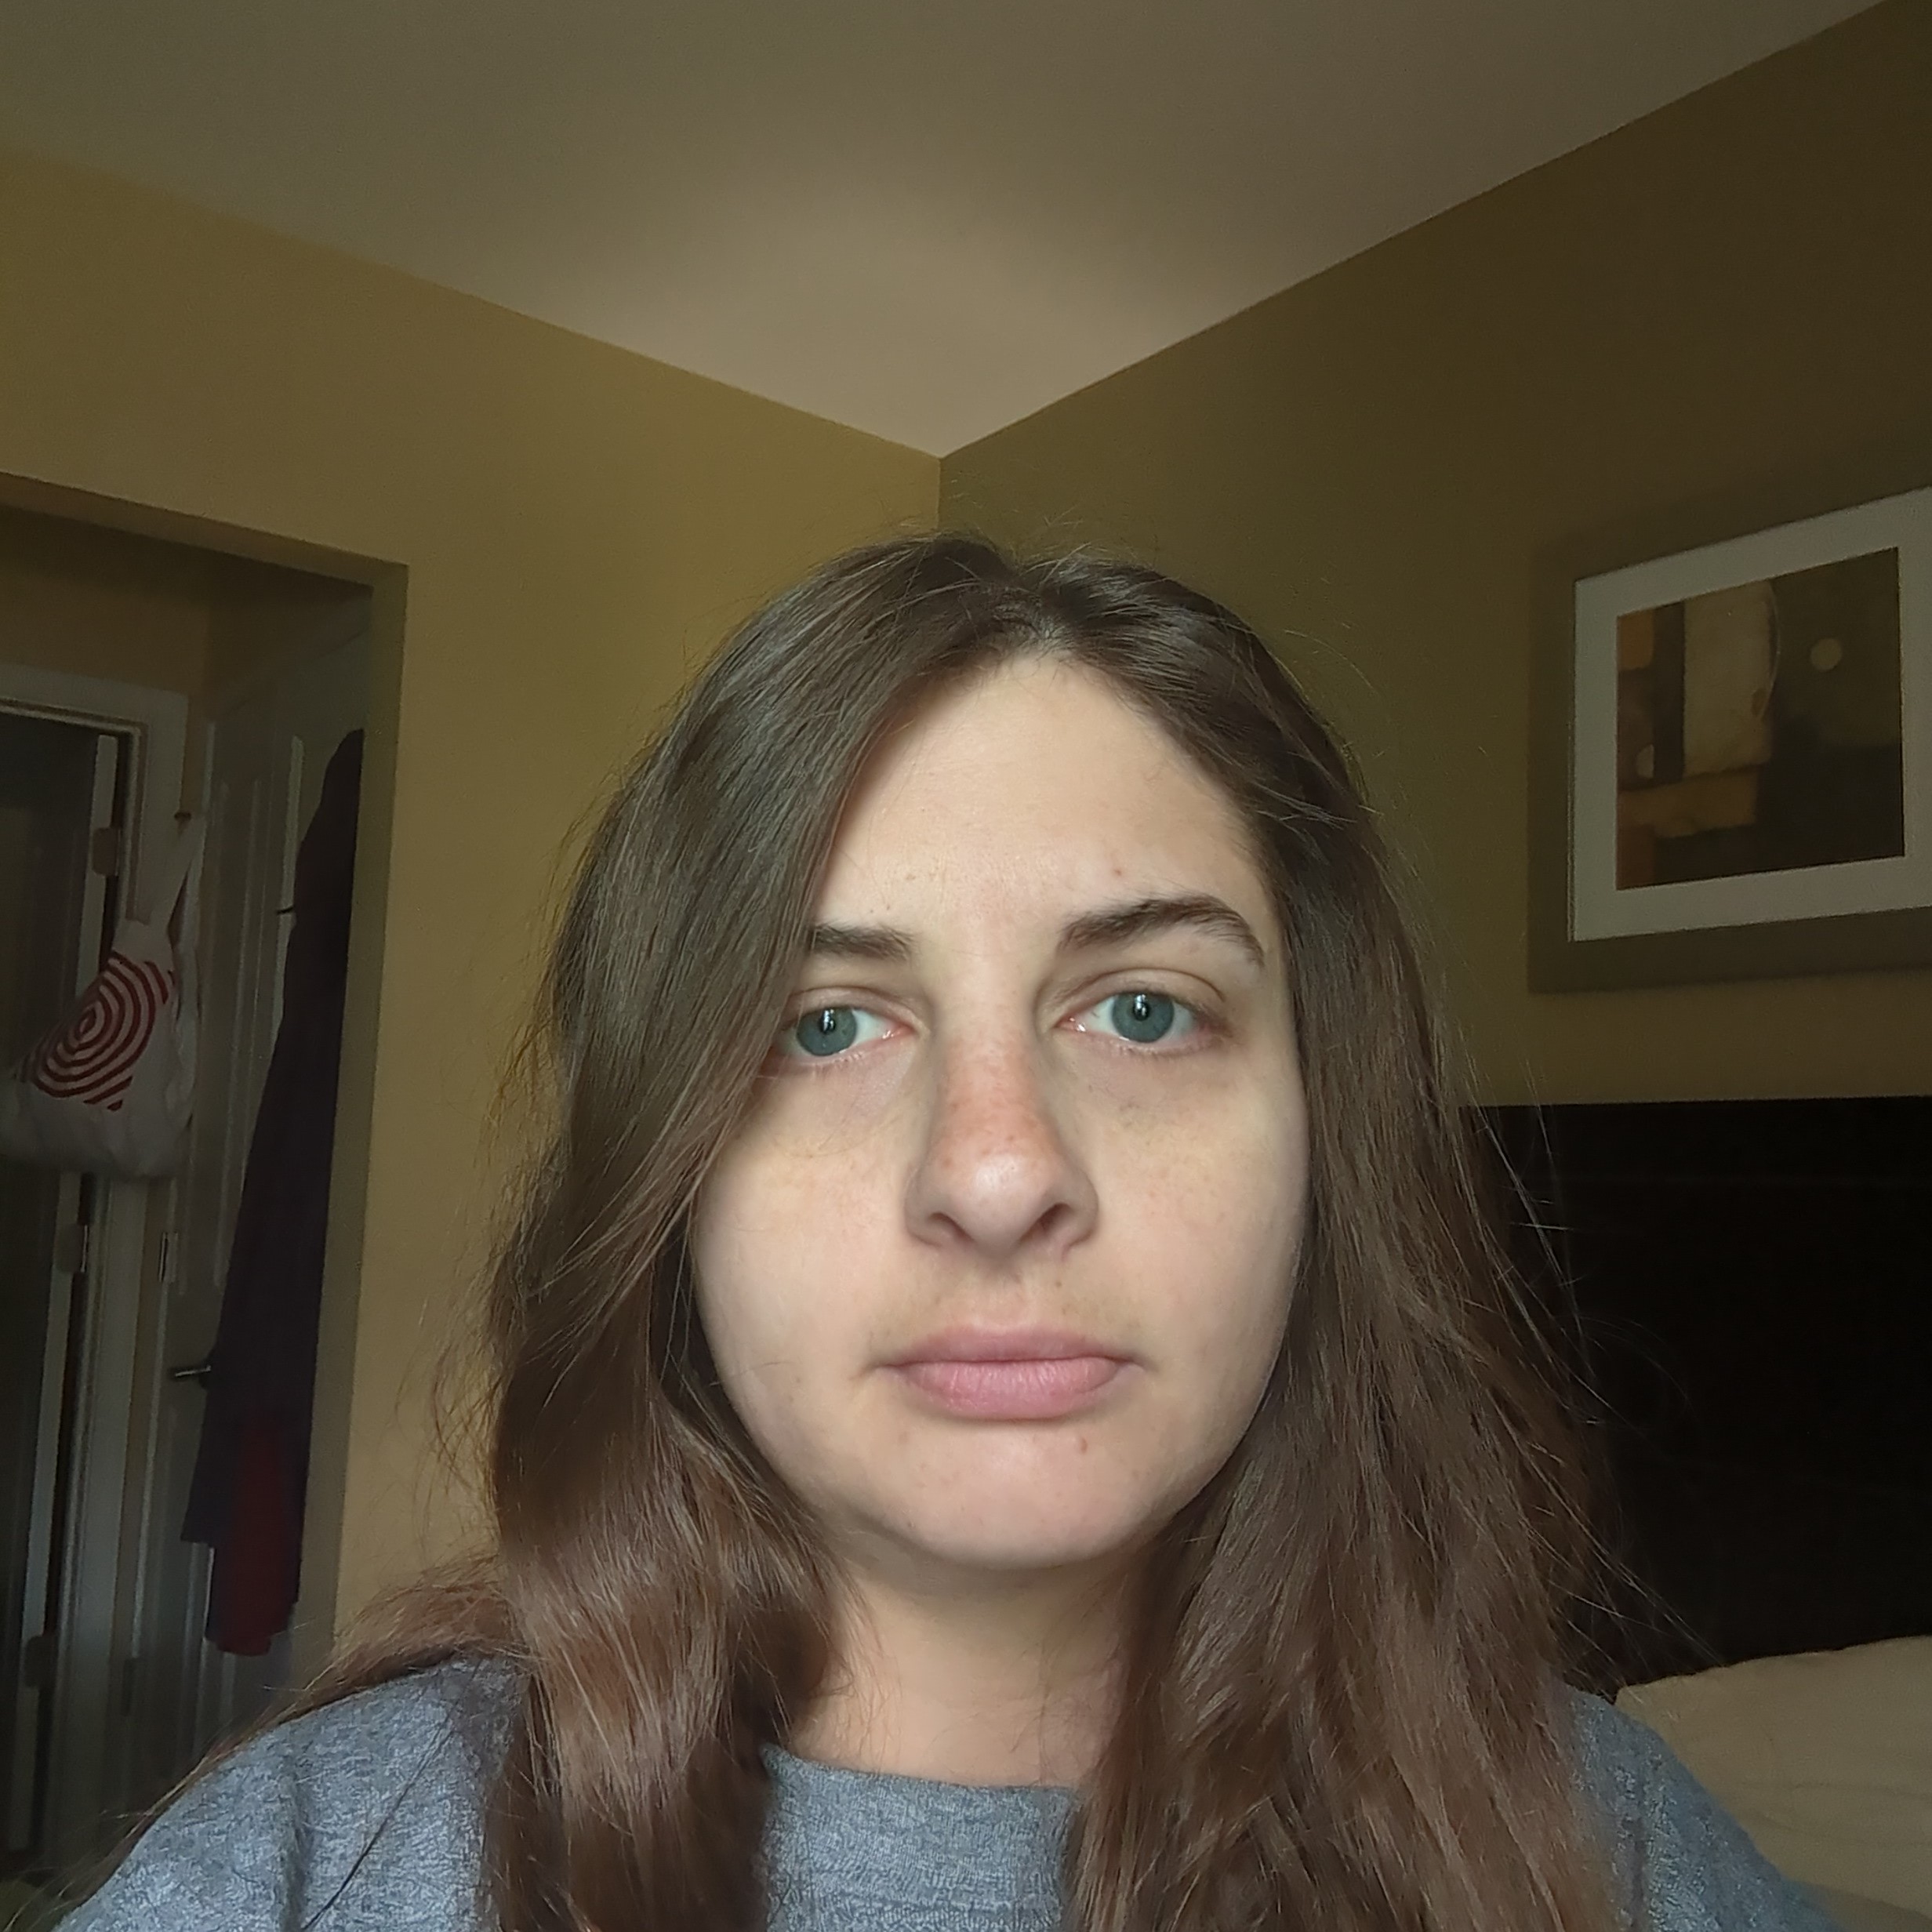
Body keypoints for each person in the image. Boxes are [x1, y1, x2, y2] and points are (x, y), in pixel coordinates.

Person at [64, 537, 1832, 1931]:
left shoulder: (1600, 1849)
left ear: (1323, 1135)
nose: (995, 1175)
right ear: (666, 1179)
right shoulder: (320, 1864)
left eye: (1143, 1009)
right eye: (823, 1023)